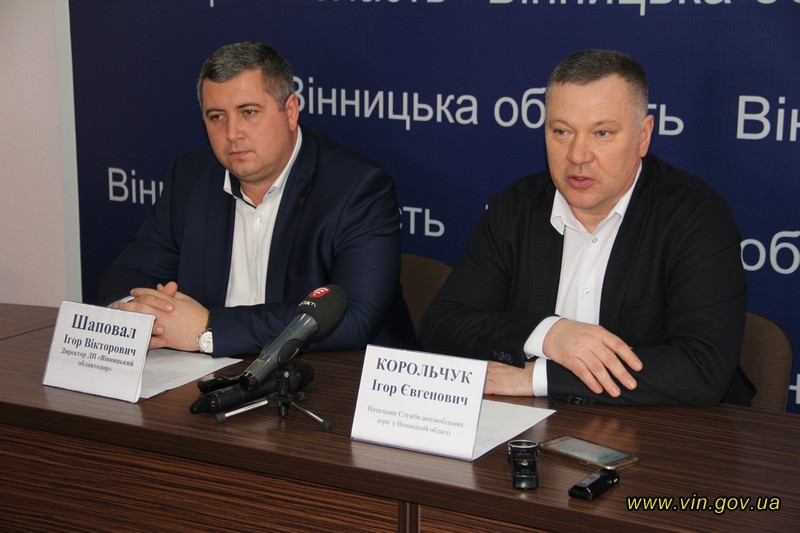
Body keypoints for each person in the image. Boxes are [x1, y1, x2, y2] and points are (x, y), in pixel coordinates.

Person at [419, 49, 754, 406]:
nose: (578, 155)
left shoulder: (696, 216)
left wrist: (540, 377)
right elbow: (442, 326)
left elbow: (702, 368)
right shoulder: (515, 208)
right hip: (537, 424)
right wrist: (550, 335)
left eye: (602, 133)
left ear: (643, 136)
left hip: (667, 430)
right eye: (562, 131)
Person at [99, 42, 416, 357]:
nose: (232, 133)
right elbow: (127, 273)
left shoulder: (358, 188)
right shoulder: (190, 178)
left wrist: (208, 328)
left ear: (290, 112)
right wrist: (145, 314)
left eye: (248, 112)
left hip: (326, 374)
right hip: (211, 371)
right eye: (216, 116)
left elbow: (354, 317)